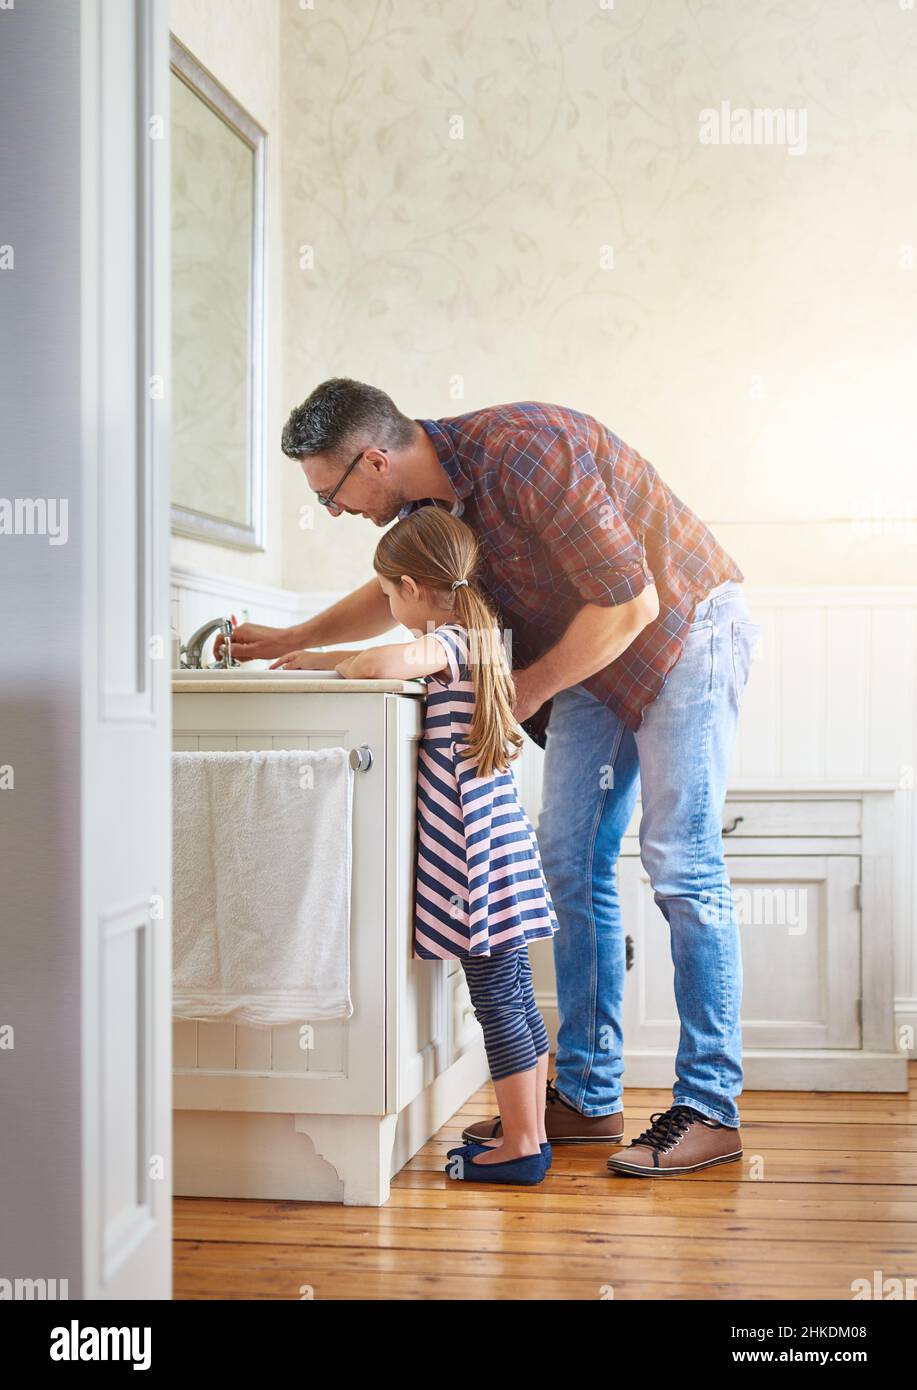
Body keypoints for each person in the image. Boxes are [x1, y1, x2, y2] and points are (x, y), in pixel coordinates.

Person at [226, 377, 760, 1178]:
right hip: (591, 651)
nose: (333, 511)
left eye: (331, 492)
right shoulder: (425, 511)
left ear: (373, 459)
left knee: (679, 866)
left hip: (683, 629)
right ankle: (585, 1094)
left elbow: (632, 605)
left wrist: (520, 693)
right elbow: (401, 590)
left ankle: (711, 1108)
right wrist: (289, 640)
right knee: (566, 863)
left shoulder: (524, 453)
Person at [273, 506, 559, 1186]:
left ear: (406, 586)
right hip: (496, 842)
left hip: (468, 852)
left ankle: (520, 1144)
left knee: (494, 995)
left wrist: (335, 664)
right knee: (513, 991)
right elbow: (394, 656)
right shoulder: (485, 637)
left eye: (386, 594)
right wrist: (319, 656)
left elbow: (381, 662)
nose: (388, 606)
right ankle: (531, 1133)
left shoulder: (449, 642)